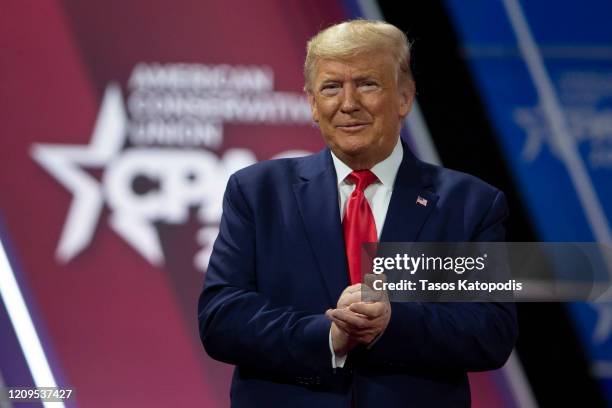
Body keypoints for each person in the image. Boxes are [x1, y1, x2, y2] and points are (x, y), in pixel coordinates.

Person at [198, 19, 517, 407]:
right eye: (331, 87)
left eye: (367, 83)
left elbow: (490, 332)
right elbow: (222, 318)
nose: (348, 104)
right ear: (313, 104)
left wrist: (391, 324)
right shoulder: (257, 193)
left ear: (404, 97)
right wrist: (328, 336)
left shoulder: (468, 203)